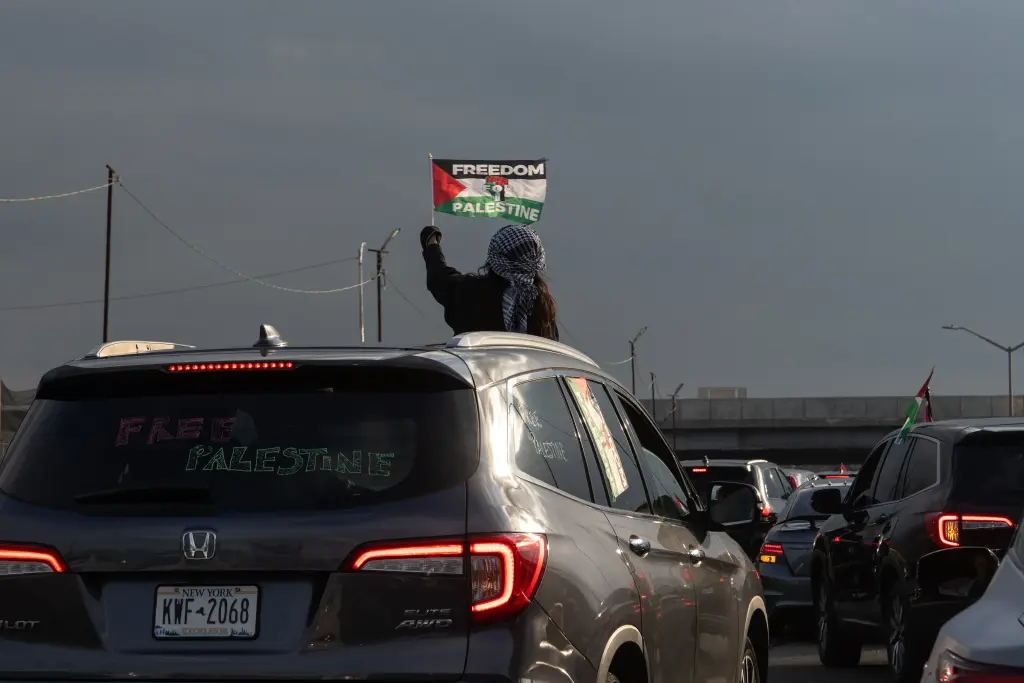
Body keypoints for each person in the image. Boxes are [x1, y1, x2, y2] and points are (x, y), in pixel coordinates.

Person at [420, 223, 558, 340]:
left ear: (495, 257)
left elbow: (439, 278)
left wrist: (432, 243)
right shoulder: (543, 306)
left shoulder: (471, 293)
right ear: (538, 259)